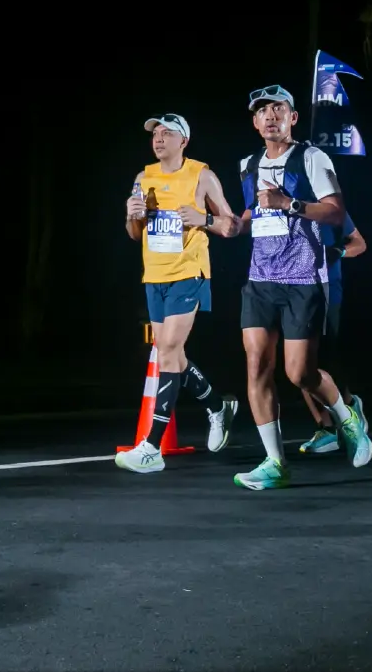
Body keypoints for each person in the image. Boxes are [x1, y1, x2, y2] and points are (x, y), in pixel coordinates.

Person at [233, 84, 372, 490]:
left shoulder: (312, 158)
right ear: (255, 122)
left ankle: (347, 417)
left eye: (279, 109)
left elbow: (336, 213)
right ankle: (275, 462)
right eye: (263, 111)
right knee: (257, 366)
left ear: (293, 117)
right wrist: (228, 224)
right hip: (261, 279)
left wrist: (289, 204)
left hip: (304, 279)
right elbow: (251, 213)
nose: (271, 116)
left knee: (299, 373)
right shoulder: (248, 164)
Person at [116, 114, 241, 474]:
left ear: (183, 141)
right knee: (171, 353)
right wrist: (132, 215)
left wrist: (204, 220)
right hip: (154, 276)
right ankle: (217, 406)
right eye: (155, 133)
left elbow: (232, 225)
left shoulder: (202, 175)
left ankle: (151, 447)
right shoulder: (143, 178)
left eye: (167, 133)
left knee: (169, 350)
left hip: (189, 273)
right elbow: (134, 233)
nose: (159, 139)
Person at [297, 213, 370, 454]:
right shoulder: (279, 209)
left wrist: (338, 252)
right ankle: (326, 427)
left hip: (326, 288)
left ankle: (349, 405)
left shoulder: (329, 209)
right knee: (298, 362)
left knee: (321, 359)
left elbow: (359, 243)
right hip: (291, 289)